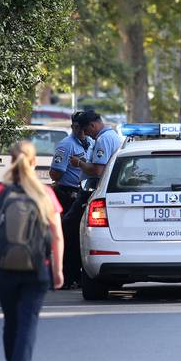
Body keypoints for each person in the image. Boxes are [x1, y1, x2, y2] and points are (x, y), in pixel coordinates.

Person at [0, 140, 64, 361]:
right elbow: (57, 235)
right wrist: (58, 269)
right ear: (34, 162)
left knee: (11, 321)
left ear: (11, 161)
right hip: (37, 267)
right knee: (28, 321)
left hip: (4, 267)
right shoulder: (45, 193)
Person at [65, 110, 122, 283]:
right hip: (96, 190)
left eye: (87, 130)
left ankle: (71, 275)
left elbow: (98, 170)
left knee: (69, 229)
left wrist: (79, 163)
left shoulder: (104, 139)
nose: (87, 134)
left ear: (92, 125)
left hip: (92, 191)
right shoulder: (110, 136)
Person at [49, 112, 91, 288]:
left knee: (80, 237)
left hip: (84, 194)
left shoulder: (92, 143)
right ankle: (66, 276)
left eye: (84, 127)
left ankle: (77, 274)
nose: (82, 131)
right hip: (67, 194)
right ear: (74, 126)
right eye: (78, 127)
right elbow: (55, 173)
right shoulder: (66, 146)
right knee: (67, 236)